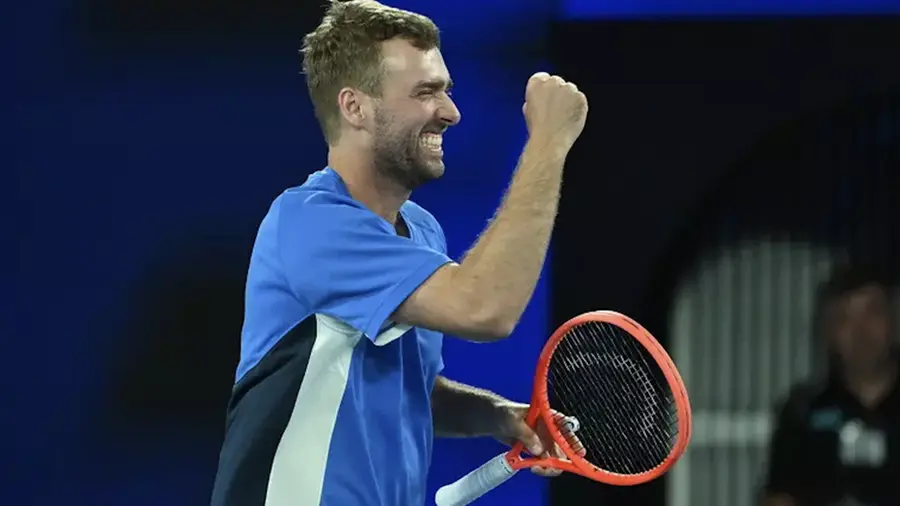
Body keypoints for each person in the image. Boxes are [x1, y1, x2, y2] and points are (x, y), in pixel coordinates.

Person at [209, 1, 588, 505]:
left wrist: (497, 415)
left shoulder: (422, 231)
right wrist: (548, 143)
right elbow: (486, 308)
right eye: (426, 93)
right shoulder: (310, 223)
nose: (451, 113)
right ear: (355, 107)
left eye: (446, 90)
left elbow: (407, 392)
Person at [760, 263, 900, 506]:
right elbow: (780, 496)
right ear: (828, 332)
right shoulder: (802, 412)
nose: (861, 331)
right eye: (845, 319)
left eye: (873, 313)